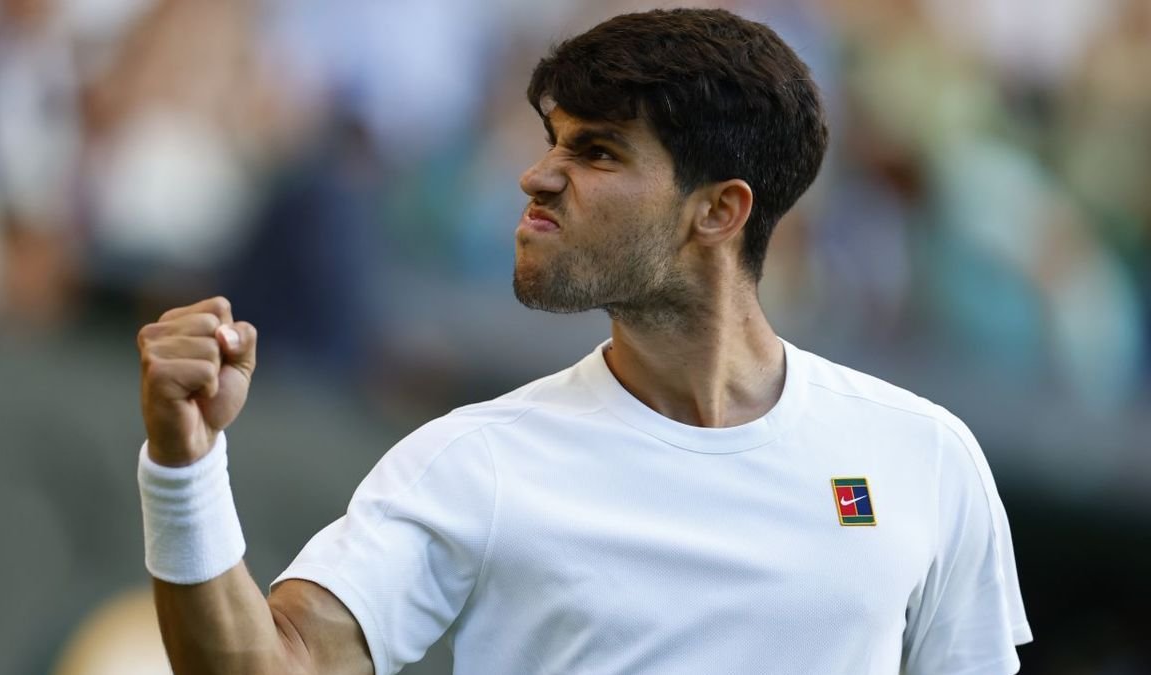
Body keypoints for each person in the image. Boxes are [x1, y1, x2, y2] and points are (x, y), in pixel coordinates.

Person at [135, 9, 1031, 674]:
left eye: (597, 152)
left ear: (720, 210)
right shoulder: (474, 460)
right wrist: (183, 466)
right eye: (551, 140)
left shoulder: (927, 458)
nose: (538, 175)